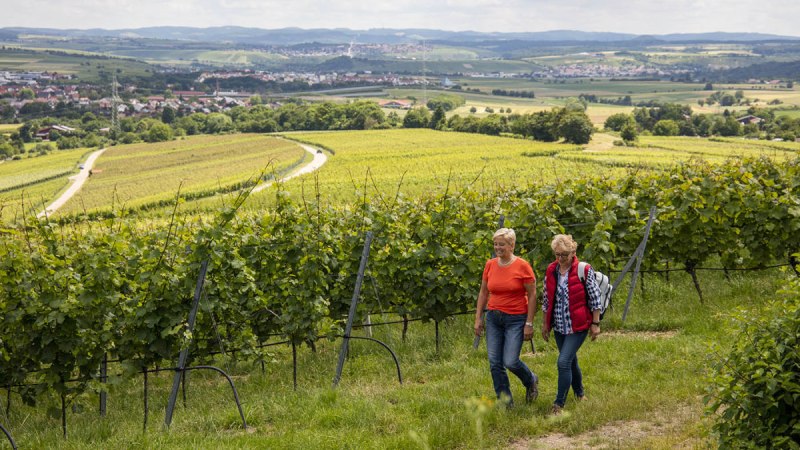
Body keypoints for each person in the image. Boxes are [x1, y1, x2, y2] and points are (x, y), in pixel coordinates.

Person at [474, 228, 538, 406]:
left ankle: (530, 379)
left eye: (501, 244)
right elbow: (483, 292)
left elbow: (532, 295)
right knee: (495, 362)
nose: (497, 248)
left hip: (516, 318)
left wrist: (529, 323)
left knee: (510, 361)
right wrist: (478, 318)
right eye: (495, 244)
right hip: (494, 317)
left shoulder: (523, 266)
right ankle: (505, 401)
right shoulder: (490, 265)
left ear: (512, 245)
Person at [541, 234, 602, 415]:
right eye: (557, 254)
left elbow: (595, 297)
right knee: (571, 361)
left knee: (563, 362)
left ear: (573, 252)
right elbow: (546, 299)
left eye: (564, 255)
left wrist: (596, 324)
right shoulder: (551, 270)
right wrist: (545, 324)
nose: (560, 259)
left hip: (578, 325)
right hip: (559, 325)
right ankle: (580, 394)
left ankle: (559, 403)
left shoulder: (583, 269)